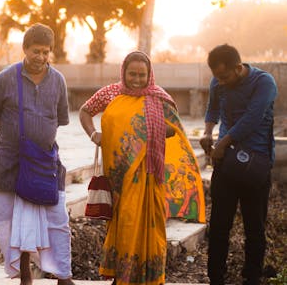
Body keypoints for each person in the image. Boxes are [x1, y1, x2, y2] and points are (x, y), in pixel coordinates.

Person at [79, 51, 205, 285]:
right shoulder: (111, 93)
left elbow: (173, 129)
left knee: (150, 225)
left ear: (150, 75)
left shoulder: (159, 98)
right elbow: (85, 111)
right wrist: (94, 134)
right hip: (118, 176)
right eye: (132, 74)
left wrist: (142, 131)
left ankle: (149, 277)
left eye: (142, 75)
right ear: (123, 73)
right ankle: (122, 276)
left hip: (148, 175)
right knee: (123, 221)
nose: (136, 79)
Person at [0, 23, 75, 285]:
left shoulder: (58, 80)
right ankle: (23, 275)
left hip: (45, 163)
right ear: (24, 49)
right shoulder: (6, 78)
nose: (42, 57)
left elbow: (60, 119)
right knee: (8, 220)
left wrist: (38, 140)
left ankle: (63, 275)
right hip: (10, 160)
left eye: (46, 52)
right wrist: (13, 136)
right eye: (36, 51)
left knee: (58, 220)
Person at [199, 44, 277, 285]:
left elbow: (252, 119)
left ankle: (252, 277)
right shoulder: (218, 82)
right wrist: (209, 132)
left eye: (224, 77)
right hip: (226, 166)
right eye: (216, 77)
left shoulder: (264, 83)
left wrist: (223, 144)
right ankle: (216, 277)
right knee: (220, 225)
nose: (220, 82)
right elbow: (212, 109)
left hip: (256, 163)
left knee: (254, 226)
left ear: (238, 67)